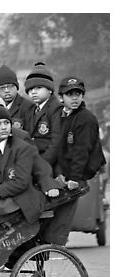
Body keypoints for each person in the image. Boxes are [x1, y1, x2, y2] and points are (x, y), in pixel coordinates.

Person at [40, 76, 106, 246]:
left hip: (78, 177)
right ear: (61, 97)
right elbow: (57, 147)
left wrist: (75, 178)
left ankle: (54, 244)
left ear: (83, 96)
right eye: (70, 94)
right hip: (64, 173)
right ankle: (48, 243)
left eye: (78, 93)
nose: (75, 97)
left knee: (61, 212)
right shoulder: (63, 116)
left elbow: (81, 151)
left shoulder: (85, 118)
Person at [23, 62, 63, 168]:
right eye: (30, 89)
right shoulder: (33, 109)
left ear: (50, 89)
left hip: (52, 166)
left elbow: (57, 143)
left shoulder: (56, 108)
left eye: (38, 88)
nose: (33, 92)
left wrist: (41, 165)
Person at [0, 64, 36, 131]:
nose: (6, 90)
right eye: (2, 88)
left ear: (17, 87)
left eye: (10, 86)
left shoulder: (28, 107)